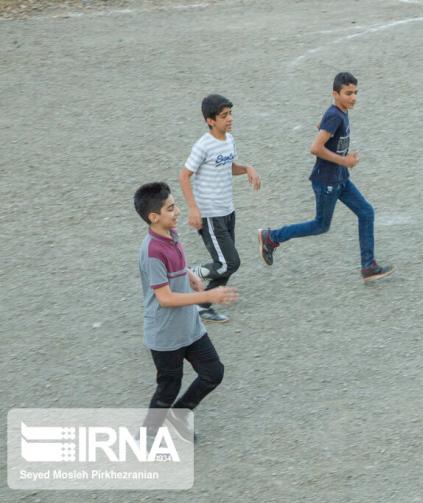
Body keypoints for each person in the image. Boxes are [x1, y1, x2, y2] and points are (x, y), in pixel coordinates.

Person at [257, 72, 394, 282]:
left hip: (340, 178)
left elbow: (325, 130)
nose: (353, 97)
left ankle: (368, 267)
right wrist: (345, 160)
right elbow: (315, 148)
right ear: (335, 94)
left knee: (366, 212)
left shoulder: (340, 112)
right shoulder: (335, 115)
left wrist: (327, 134)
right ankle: (271, 237)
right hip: (327, 181)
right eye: (348, 93)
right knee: (321, 225)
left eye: (356, 93)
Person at [134, 182, 238, 442]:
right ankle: (147, 437)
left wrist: (189, 274)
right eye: (171, 208)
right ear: (153, 217)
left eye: (175, 205)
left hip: (189, 327)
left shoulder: (170, 233)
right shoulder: (152, 251)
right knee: (168, 388)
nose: (178, 211)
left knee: (213, 372)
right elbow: (165, 298)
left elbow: (177, 263)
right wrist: (208, 296)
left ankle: (179, 415)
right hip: (165, 334)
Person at [179, 94, 261, 323]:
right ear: (210, 120)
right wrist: (193, 209)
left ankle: (201, 306)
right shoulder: (203, 145)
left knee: (227, 264)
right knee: (229, 262)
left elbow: (229, 166)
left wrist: (247, 168)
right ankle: (191, 273)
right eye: (224, 116)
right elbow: (184, 175)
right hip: (210, 215)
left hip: (227, 212)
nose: (230, 119)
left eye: (230, 114)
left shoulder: (229, 140)